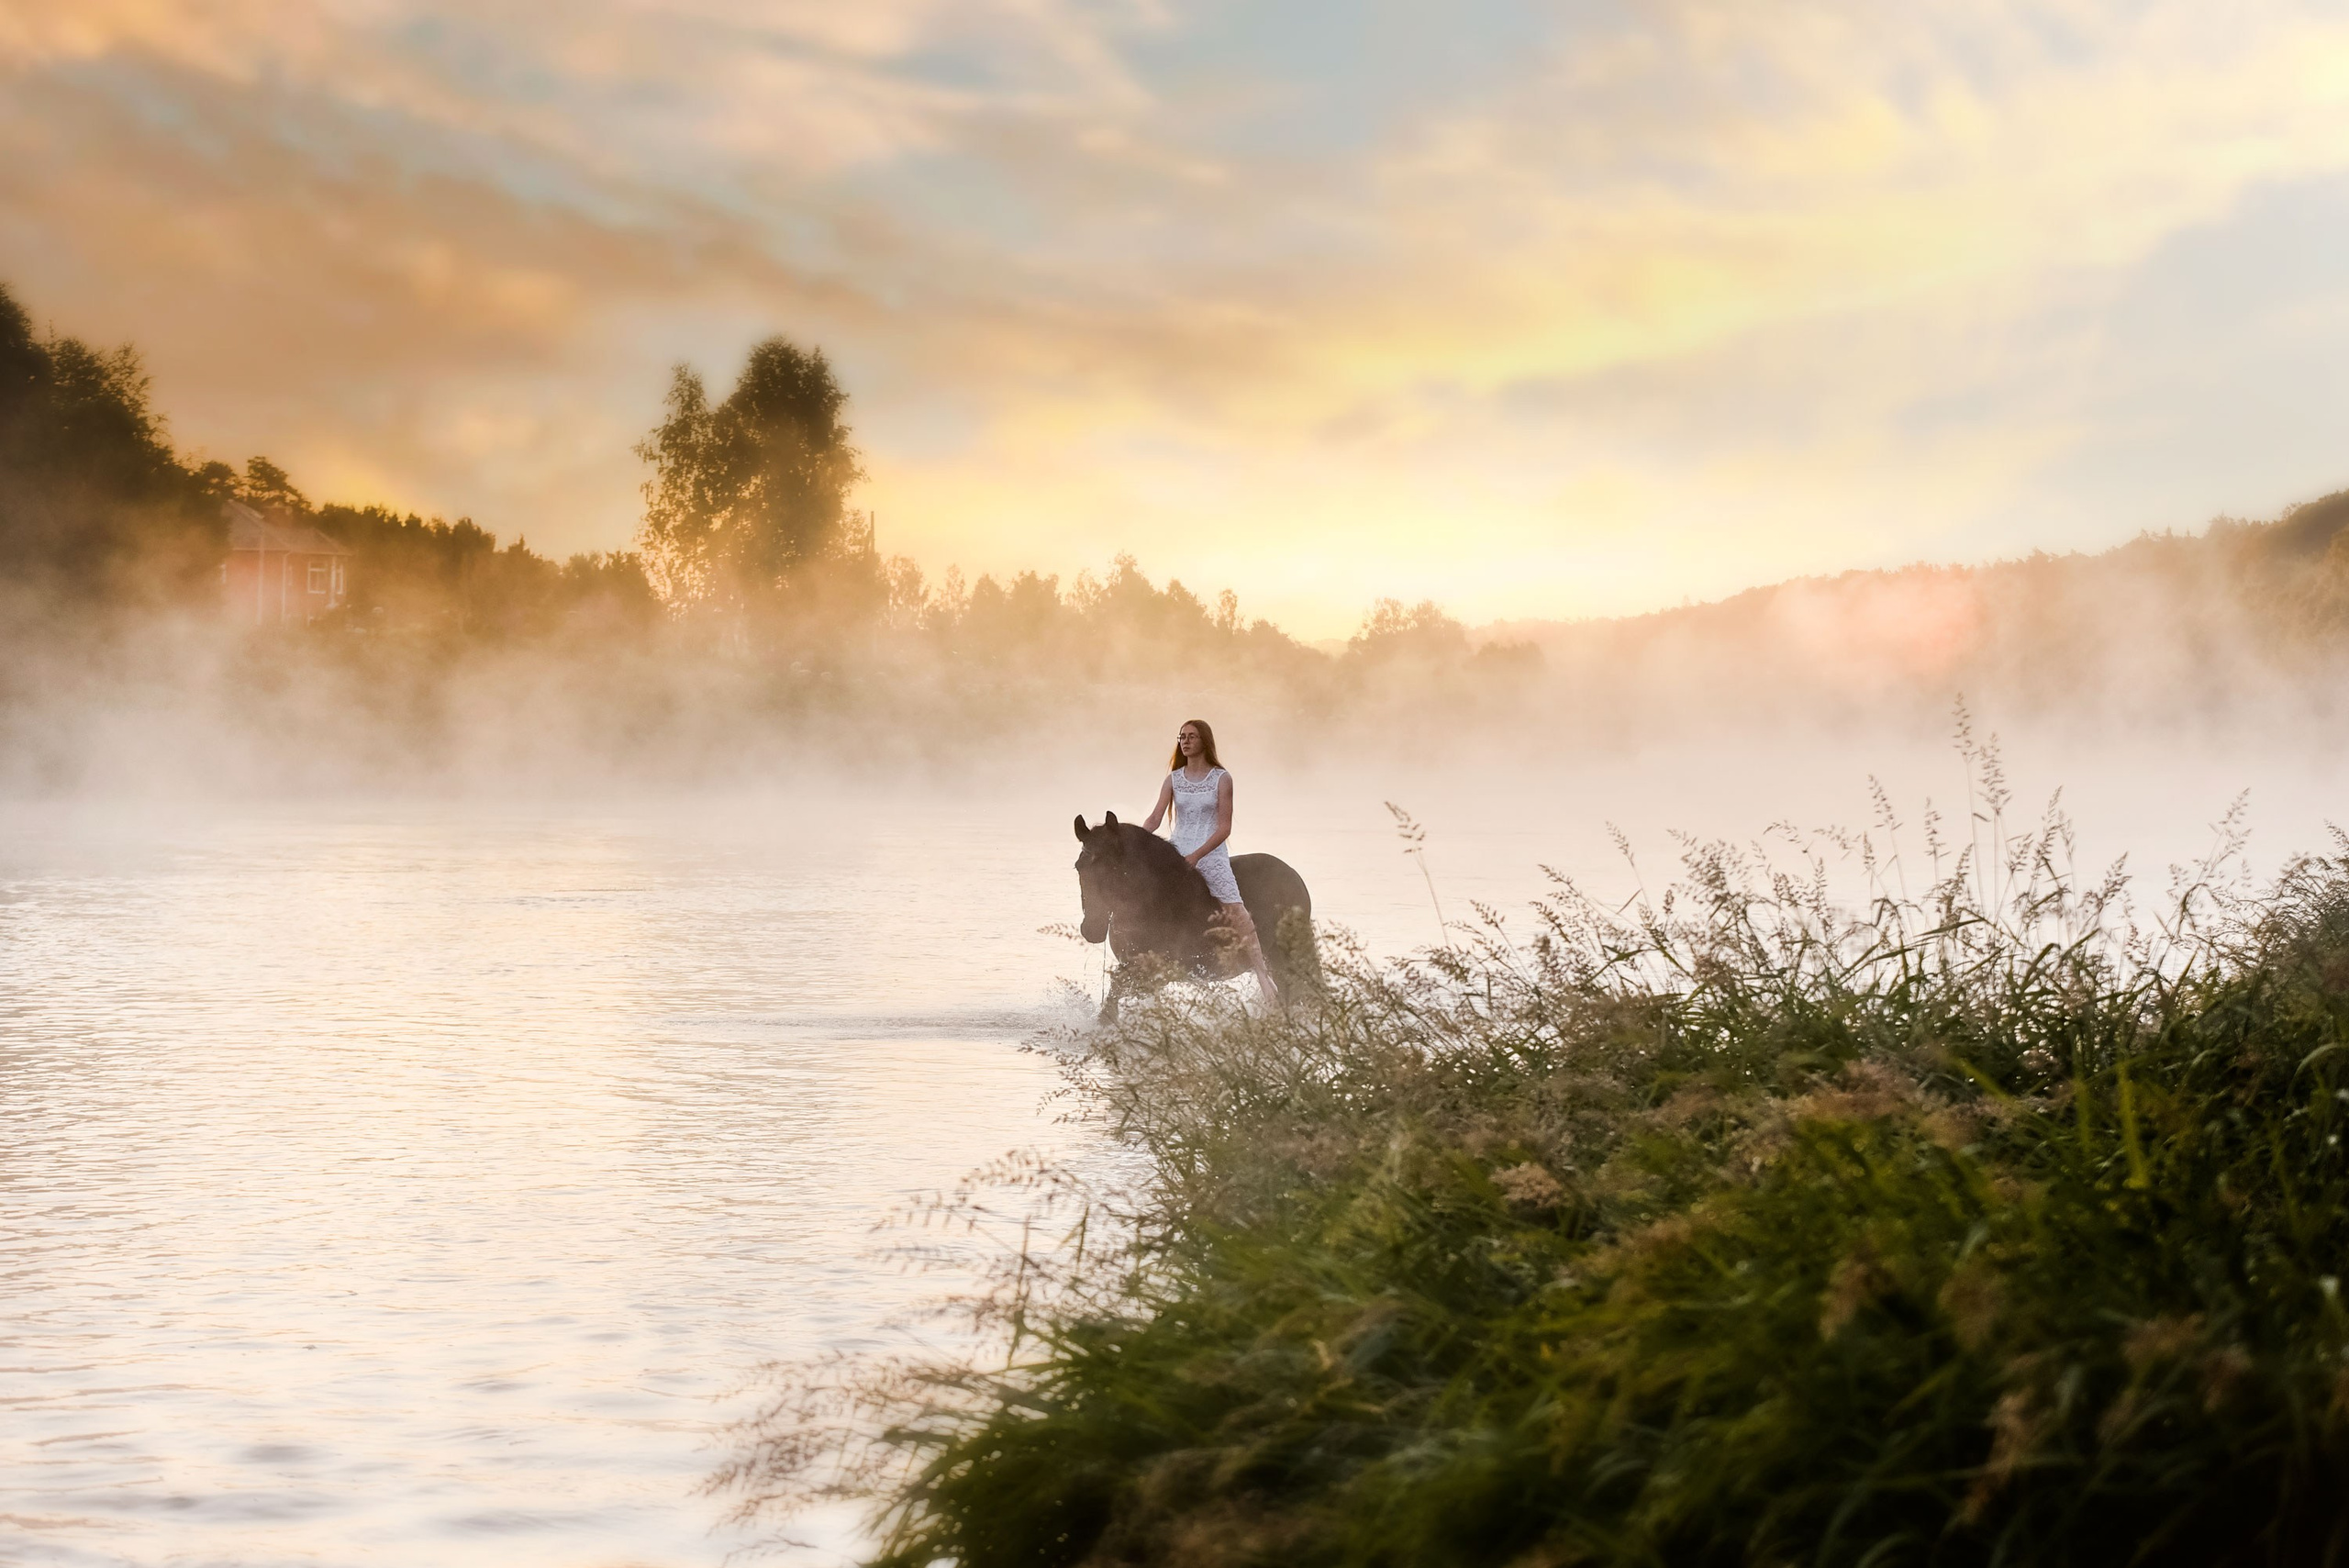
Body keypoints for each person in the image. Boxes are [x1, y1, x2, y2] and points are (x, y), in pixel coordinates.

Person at [1141, 718, 1280, 1006]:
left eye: (1191, 736)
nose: (1185, 741)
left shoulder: (1221, 778)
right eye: (1181, 737)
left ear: (1204, 740)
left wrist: (1198, 855)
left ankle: (1263, 977)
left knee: (1236, 910)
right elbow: (1155, 819)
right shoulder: (1174, 779)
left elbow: (1224, 828)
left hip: (1210, 852)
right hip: (1176, 851)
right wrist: (1134, 841)